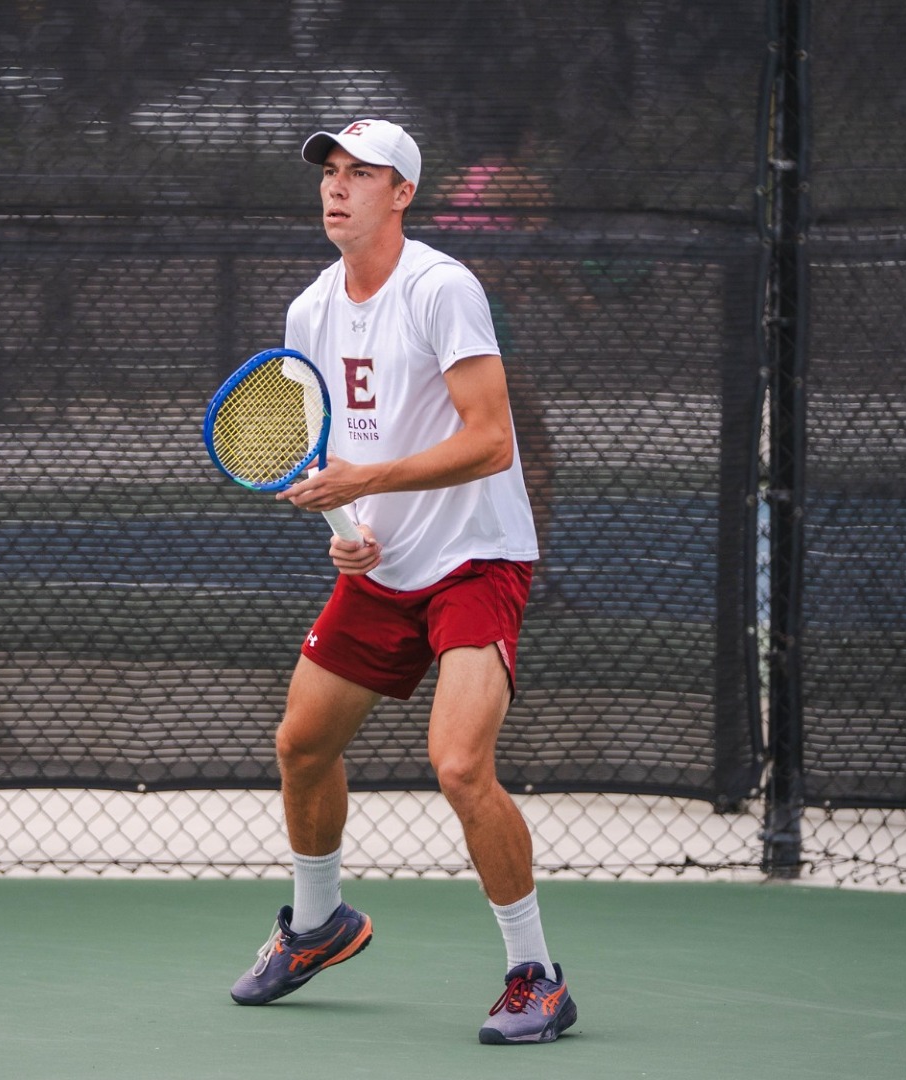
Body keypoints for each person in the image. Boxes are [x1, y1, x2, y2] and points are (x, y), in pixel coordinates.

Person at [227, 118, 576, 1045]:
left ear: (403, 194)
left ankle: (537, 976)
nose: (337, 188)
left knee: (459, 764)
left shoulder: (440, 288)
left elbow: (489, 439)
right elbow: (334, 450)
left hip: (476, 558)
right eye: (329, 173)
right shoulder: (310, 311)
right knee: (302, 743)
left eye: (360, 173)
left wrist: (367, 484)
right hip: (388, 565)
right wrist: (350, 533)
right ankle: (316, 924)